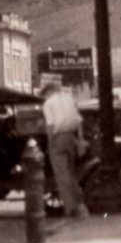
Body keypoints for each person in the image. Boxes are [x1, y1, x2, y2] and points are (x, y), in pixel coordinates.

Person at [39, 81, 88, 218]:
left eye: (44, 95)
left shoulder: (48, 104)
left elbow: (50, 125)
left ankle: (70, 208)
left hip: (57, 138)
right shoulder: (69, 99)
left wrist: (49, 143)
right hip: (71, 137)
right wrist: (80, 141)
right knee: (71, 172)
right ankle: (80, 203)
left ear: (48, 92)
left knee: (62, 174)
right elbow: (79, 122)